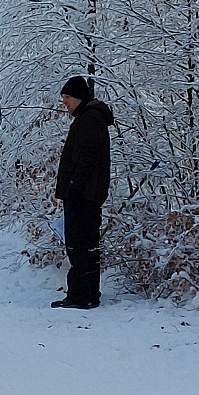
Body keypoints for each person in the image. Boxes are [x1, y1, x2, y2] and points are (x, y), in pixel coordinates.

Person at [52, 76, 113, 309]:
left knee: (80, 245)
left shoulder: (89, 120)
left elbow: (88, 158)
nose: (64, 102)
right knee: (84, 244)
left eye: (67, 97)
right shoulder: (88, 118)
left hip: (83, 195)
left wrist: (74, 187)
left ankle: (81, 296)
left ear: (78, 97)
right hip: (85, 193)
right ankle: (86, 294)